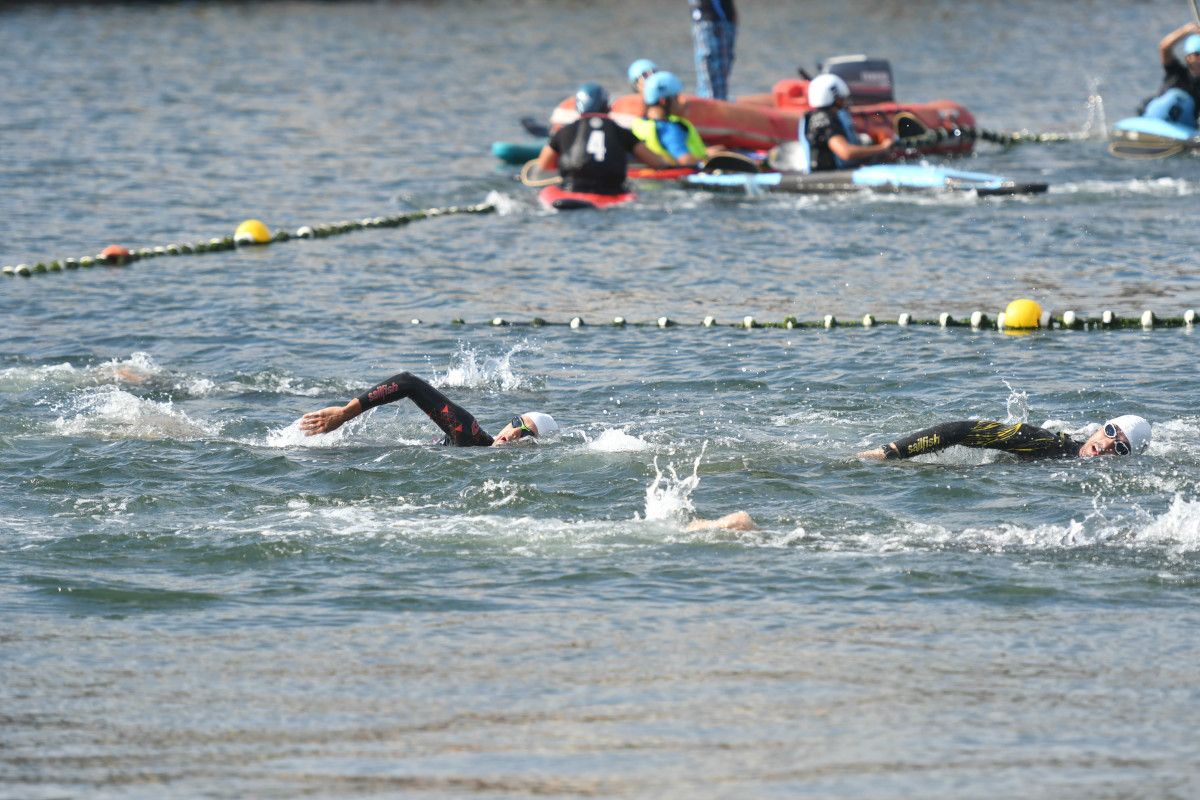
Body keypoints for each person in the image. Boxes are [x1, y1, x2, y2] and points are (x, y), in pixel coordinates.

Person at [300, 370, 558, 447]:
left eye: (526, 434)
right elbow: (408, 383)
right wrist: (346, 413)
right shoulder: (469, 433)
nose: (514, 433)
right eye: (516, 422)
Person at [536, 82, 670, 194]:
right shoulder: (621, 131)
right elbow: (656, 163)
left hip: (573, 189)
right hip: (612, 191)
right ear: (606, 106)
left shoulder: (564, 132)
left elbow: (544, 165)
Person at [856, 415, 1152, 461]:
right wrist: (893, 451)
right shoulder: (1047, 444)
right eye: (1111, 432)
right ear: (1099, 429)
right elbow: (964, 430)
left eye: (1122, 448)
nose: (1107, 444)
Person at [799, 74, 897, 173]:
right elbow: (846, 152)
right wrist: (882, 148)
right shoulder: (825, 119)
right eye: (841, 97)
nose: (844, 100)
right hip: (828, 177)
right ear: (833, 97)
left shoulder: (820, 116)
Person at [632, 71, 713, 166]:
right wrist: (708, 158)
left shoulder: (639, 123)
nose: (682, 102)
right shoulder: (669, 129)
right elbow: (685, 160)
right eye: (677, 98)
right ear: (663, 101)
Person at [1138, 22, 1200, 124]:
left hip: (1185, 125)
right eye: (1197, 55)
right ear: (1188, 58)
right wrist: (1186, 30)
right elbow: (1164, 48)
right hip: (1155, 117)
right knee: (1175, 96)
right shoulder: (1176, 72)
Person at [690, 0, 737, 100]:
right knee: (708, 68)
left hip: (724, 20)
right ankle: (709, 101)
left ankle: (720, 103)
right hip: (707, 21)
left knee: (723, 69)